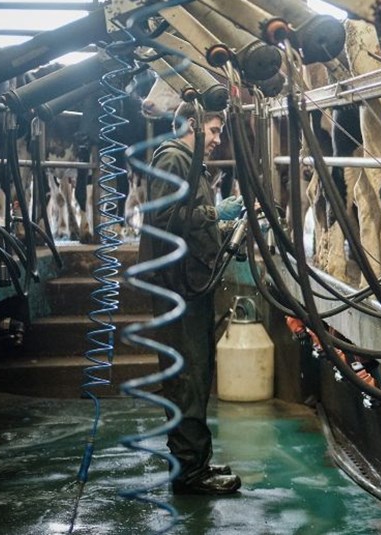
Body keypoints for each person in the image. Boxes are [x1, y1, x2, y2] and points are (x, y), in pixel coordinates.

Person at [137, 101, 244, 495]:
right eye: (213, 131)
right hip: (175, 288)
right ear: (192, 126)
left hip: (188, 285)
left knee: (197, 375)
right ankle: (189, 474)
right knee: (186, 378)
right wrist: (215, 214)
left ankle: (195, 461)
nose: (217, 139)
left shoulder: (189, 159)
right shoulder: (172, 158)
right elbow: (166, 220)